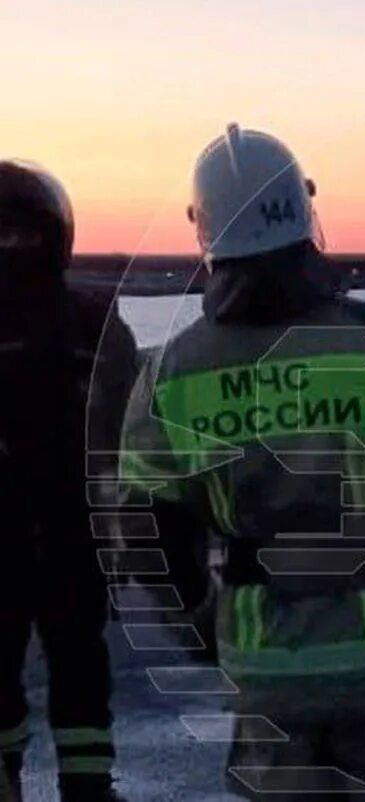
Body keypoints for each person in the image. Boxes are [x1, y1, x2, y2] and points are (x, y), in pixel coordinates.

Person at [119, 125, 365, 800]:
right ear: (304, 211)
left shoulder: (172, 373)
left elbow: (150, 526)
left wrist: (199, 619)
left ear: (204, 232)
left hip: (269, 678)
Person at [0, 161, 136, 801]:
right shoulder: (95, 320)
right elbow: (134, 435)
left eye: (17, 235)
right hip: (70, 534)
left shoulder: (95, 322)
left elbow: (129, 435)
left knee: (76, 663)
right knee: (79, 662)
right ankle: (88, 785)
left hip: (66, 534)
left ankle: (83, 782)